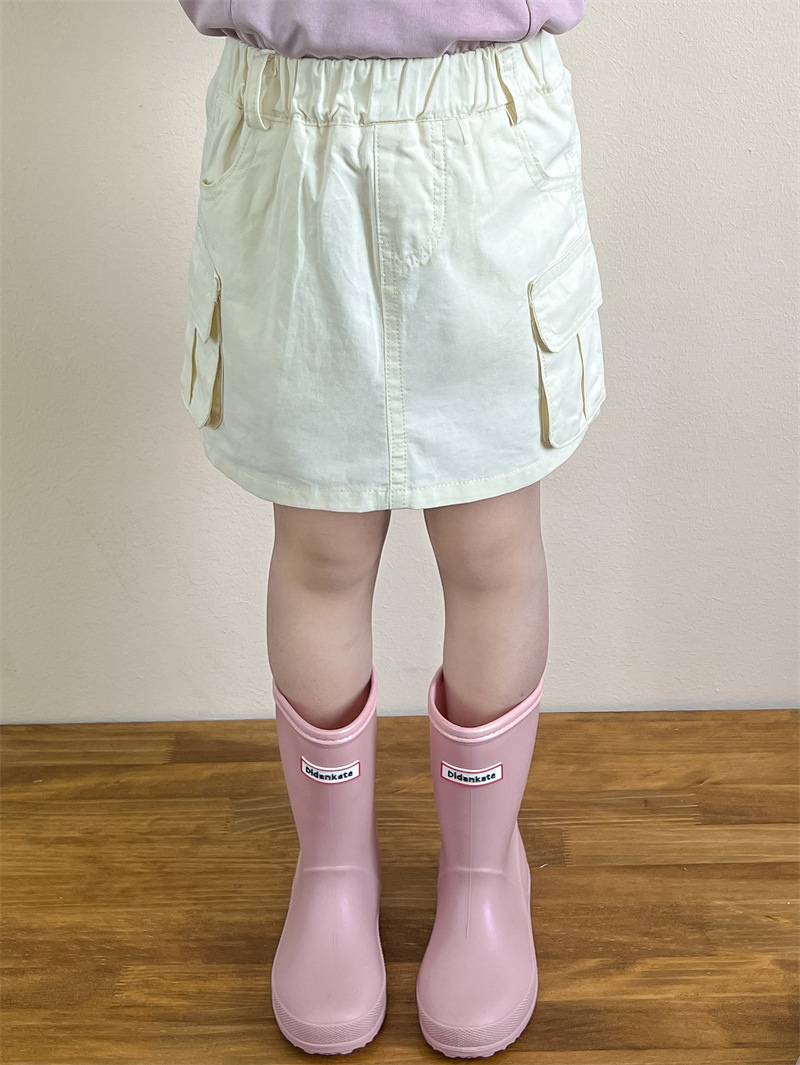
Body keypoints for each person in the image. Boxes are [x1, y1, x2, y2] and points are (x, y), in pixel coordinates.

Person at [178, 1, 606, 1057]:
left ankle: (483, 869)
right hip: (286, 137)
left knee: (488, 539)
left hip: (486, 123)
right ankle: (332, 866)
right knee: (321, 543)